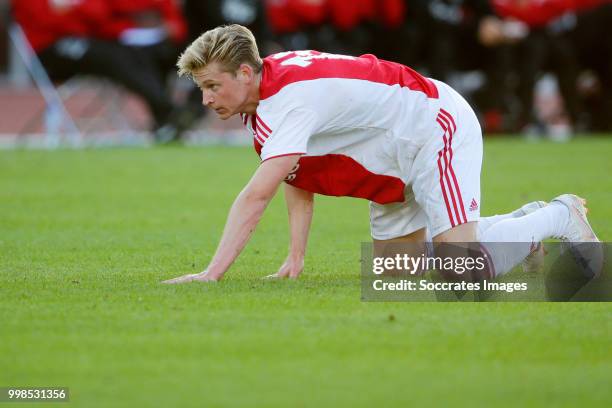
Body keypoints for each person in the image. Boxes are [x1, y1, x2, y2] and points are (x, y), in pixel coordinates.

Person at [163, 24, 599, 284]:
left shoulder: (287, 99)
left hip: (432, 127)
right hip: (391, 160)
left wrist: (211, 274)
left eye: (211, 86)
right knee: (397, 272)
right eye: (201, 88)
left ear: (244, 71)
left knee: (460, 274)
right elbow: (295, 174)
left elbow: (257, 195)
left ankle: (560, 214)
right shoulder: (265, 91)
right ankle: (522, 227)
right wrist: (296, 256)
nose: (205, 99)